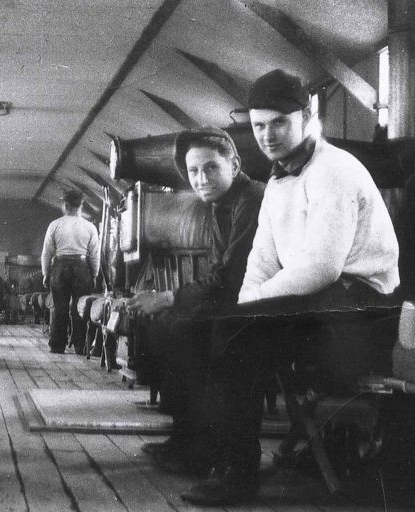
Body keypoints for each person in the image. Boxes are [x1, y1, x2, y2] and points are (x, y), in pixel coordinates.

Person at [182, 69, 400, 506]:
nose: (267, 135)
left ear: (307, 116)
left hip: (361, 315)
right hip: (322, 308)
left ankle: (238, 477)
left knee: (235, 335)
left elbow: (320, 268)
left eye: (278, 122)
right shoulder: (279, 182)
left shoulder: (333, 170)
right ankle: (213, 457)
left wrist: (248, 312)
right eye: (259, 125)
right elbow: (260, 261)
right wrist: (242, 307)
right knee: (212, 327)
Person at [124, 127, 264, 475]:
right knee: (168, 327)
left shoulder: (252, 200)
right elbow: (220, 273)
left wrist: (169, 296)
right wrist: (169, 303)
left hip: (261, 306)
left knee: (187, 332)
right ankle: (186, 437)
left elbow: (231, 278)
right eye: (194, 171)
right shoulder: (221, 205)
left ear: (234, 163)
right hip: (238, 298)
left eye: (211, 168)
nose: (201, 179)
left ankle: (202, 449)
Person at [41, 189, 100, 354]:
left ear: (65, 205)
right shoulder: (90, 227)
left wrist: (46, 273)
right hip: (82, 268)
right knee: (80, 307)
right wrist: (94, 274)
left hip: (60, 267)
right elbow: (95, 254)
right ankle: (80, 346)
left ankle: (57, 345)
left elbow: (47, 252)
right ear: (81, 206)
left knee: (59, 307)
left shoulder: (55, 225)